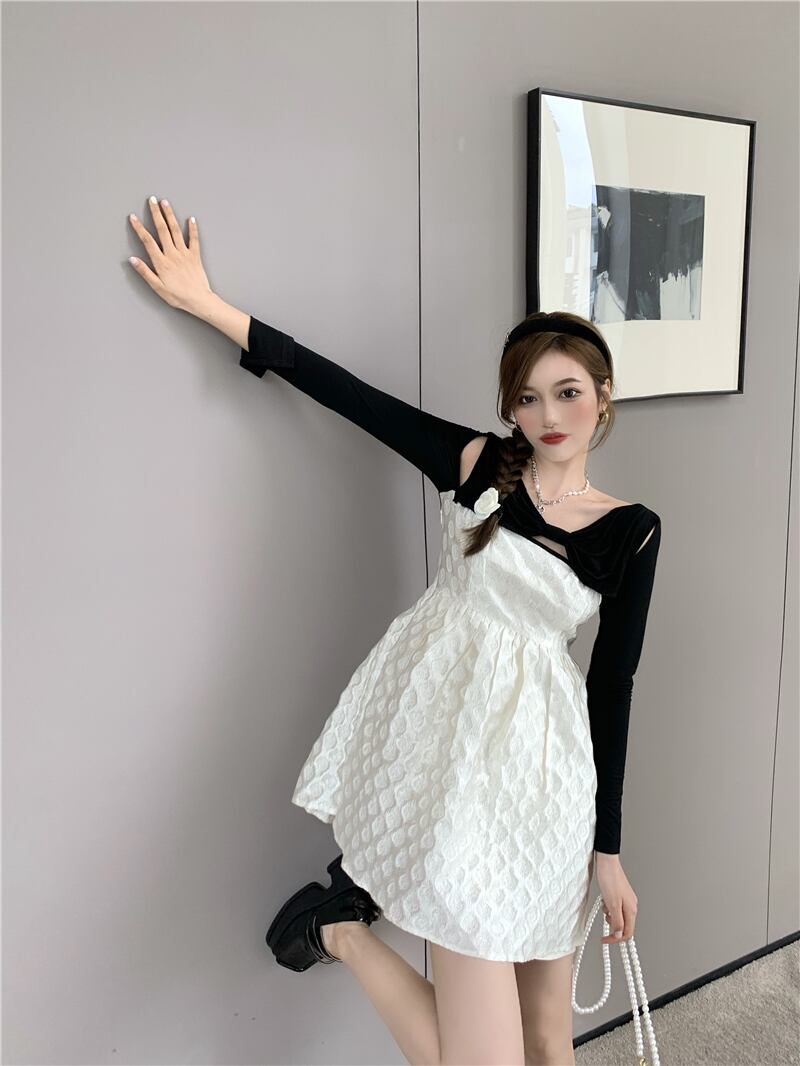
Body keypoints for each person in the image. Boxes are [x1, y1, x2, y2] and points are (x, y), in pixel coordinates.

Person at [127, 197, 662, 1066]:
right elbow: (346, 393)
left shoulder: (632, 529)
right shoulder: (478, 467)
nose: (548, 415)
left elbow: (613, 687)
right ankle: (341, 929)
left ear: (603, 398)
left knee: (548, 1041)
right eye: (528, 398)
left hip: (548, 779)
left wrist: (609, 852)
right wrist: (209, 304)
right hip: (455, 769)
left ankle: (342, 920)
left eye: (568, 392)